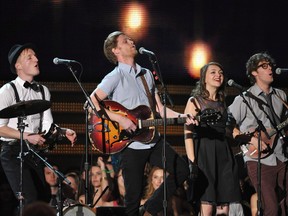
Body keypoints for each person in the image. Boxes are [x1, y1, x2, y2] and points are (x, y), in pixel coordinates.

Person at [89, 31, 195, 216]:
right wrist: (120, 119)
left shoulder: (146, 74)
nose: (132, 41)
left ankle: (149, 209)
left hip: (153, 139)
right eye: (125, 40)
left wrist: (183, 116)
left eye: (130, 39)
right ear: (116, 50)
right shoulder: (115, 76)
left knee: (182, 170)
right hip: (129, 144)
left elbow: (159, 109)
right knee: (132, 198)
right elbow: (92, 101)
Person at [0, 43, 77, 213]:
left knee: (43, 198)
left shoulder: (43, 91)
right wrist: (27, 136)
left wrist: (63, 131)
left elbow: (47, 125)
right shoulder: (7, 90)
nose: (36, 59)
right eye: (30, 57)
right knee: (30, 198)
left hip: (33, 152)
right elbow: (0, 128)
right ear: (18, 66)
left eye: (35, 56)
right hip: (13, 153)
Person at [228, 52, 288, 215]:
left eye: (270, 65)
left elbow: (283, 126)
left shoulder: (280, 95)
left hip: (281, 155)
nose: (270, 68)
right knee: (271, 208)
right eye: (264, 66)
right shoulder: (244, 98)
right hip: (258, 159)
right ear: (254, 72)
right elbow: (228, 126)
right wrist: (251, 140)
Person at [184, 62, 241, 215]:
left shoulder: (223, 104)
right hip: (204, 153)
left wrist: (245, 136)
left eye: (221, 72)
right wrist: (192, 162)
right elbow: (187, 134)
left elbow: (228, 130)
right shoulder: (194, 101)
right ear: (204, 79)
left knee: (224, 207)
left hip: (223, 154)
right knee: (207, 205)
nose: (218, 75)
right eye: (213, 72)